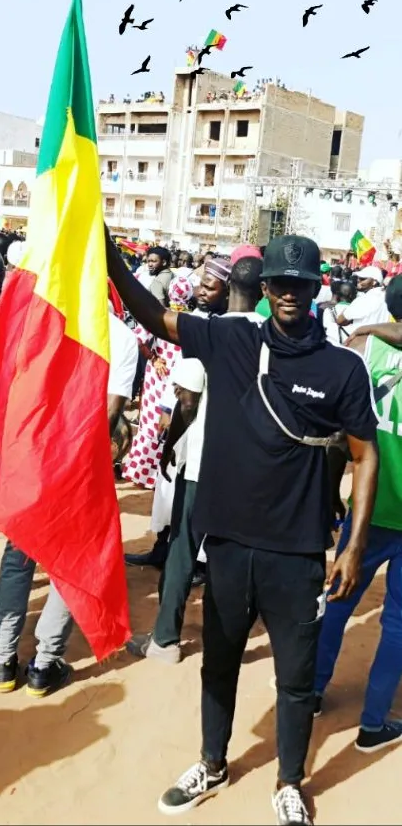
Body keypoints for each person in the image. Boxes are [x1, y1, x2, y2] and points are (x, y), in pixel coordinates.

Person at [106, 229, 379, 825]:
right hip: (227, 544)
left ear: (314, 290)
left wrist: (353, 546)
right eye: (280, 282)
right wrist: (106, 254)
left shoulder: (342, 369)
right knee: (219, 662)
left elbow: (364, 456)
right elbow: (154, 316)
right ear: (264, 286)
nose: (288, 293)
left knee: (296, 680)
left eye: (300, 285)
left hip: (299, 552)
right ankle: (212, 762)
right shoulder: (231, 338)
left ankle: (287, 781)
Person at [127, 253, 265, 664]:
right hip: (250, 467)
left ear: (228, 290)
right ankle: (228, 643)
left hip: (203, 462)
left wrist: (170, 449)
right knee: (235, 559)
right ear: (262, 292)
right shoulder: (276, 335)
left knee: (183, 550)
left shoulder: (206, 333)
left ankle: (166, 639)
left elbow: (187, 402)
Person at [0, 303, 137, 698]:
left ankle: (3, 659)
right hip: (79, 463)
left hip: (31, 455)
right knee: (70, 562)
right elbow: (112, 412)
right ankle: (44, 665)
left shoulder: (41, 315)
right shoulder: (121, 336)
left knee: (18, 556)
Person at [314, 274, 402, 751]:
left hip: (368, 509)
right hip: (381, 511)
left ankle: (309, 691)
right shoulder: (366, 347)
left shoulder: (365, 351)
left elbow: (334, 435)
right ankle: (373, 724)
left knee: (339, 601)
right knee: (399, 623)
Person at [124, 261, 231, 567]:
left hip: (206, 421)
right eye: (201, 284)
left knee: (197, 494)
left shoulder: (228, 328)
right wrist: (167, 410)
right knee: (168, 487)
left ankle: (195, 563)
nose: (201, 291)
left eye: (210, 287)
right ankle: (161, 550)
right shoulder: (192, 320)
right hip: (179, 413)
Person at [122, 276, 192, 489]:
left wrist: (153, 358)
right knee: (168, 427)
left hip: (159, 374)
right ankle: (157, 476)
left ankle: (141, 472)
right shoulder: (191, 320)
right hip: (177, 377)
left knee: (150, 425)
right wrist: (155, 358)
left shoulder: (162, 315)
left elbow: (138, 339)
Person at [337, 265, 389, 332]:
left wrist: (346, 312)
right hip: (379, 341)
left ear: (374, 282)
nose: (358, 280)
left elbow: (340, 320)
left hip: (362, 340)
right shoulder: (387, 297)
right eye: (358, 278)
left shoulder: (365, 299)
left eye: (362, 278)